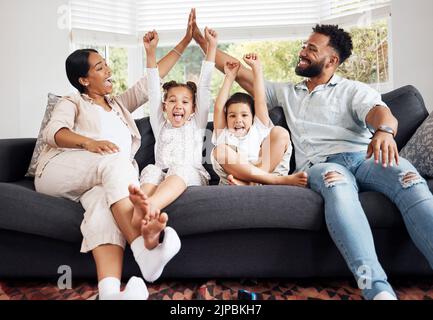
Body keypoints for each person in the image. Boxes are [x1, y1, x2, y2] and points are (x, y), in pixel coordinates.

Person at [192, 12, 433, 300]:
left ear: (331, 61)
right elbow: (239, 72)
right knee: (339, 190)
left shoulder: (352, 90)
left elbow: (381, 113)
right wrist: (199, 39)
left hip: (365, 158)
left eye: (311, 49)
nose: (302, 52)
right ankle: (377, 290)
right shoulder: (287, 93)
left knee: (410, 180)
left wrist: (383, 130)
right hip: (324, 167)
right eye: (304, 46)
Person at [34, 9, 197, 300]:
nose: (108, 70)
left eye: (106, 64)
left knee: (103, 209)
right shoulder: (73, 101)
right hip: (58, 171)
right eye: (99, 67)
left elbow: (151, 81)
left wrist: (183, 42)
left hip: (97, 180)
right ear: (84, 80)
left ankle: (109, 292)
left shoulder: (119, 105)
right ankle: (143, 251)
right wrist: (88, 143)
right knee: (116, 160)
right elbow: (53, 133)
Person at [129, 26, 217, 232]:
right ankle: (137, 218)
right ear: (164, 106)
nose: (179, 105)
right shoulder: (160, 124)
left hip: (191, 175)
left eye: (185, 102)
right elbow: (152, 89)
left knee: (180, 168)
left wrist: (211, 48)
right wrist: (150, 53)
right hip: (162, 174)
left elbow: (204, 87)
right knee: (151, 170)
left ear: (194, 108)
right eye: (173, 101)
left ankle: (150, 207)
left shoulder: (197, 123)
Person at [211, 53, 308, 187]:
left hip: (263, 169)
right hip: (239, 176)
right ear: (226, 118)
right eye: (232, 115)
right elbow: (218, 107)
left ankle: (253, 181)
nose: (238, 120)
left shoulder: (258, 128)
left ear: (253, 117)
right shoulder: (224, 134)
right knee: (220, 150)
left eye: (244, 115)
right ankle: (266, 180)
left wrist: (256, 69)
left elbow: (261, 100)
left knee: (280, 132)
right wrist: (229, 77)